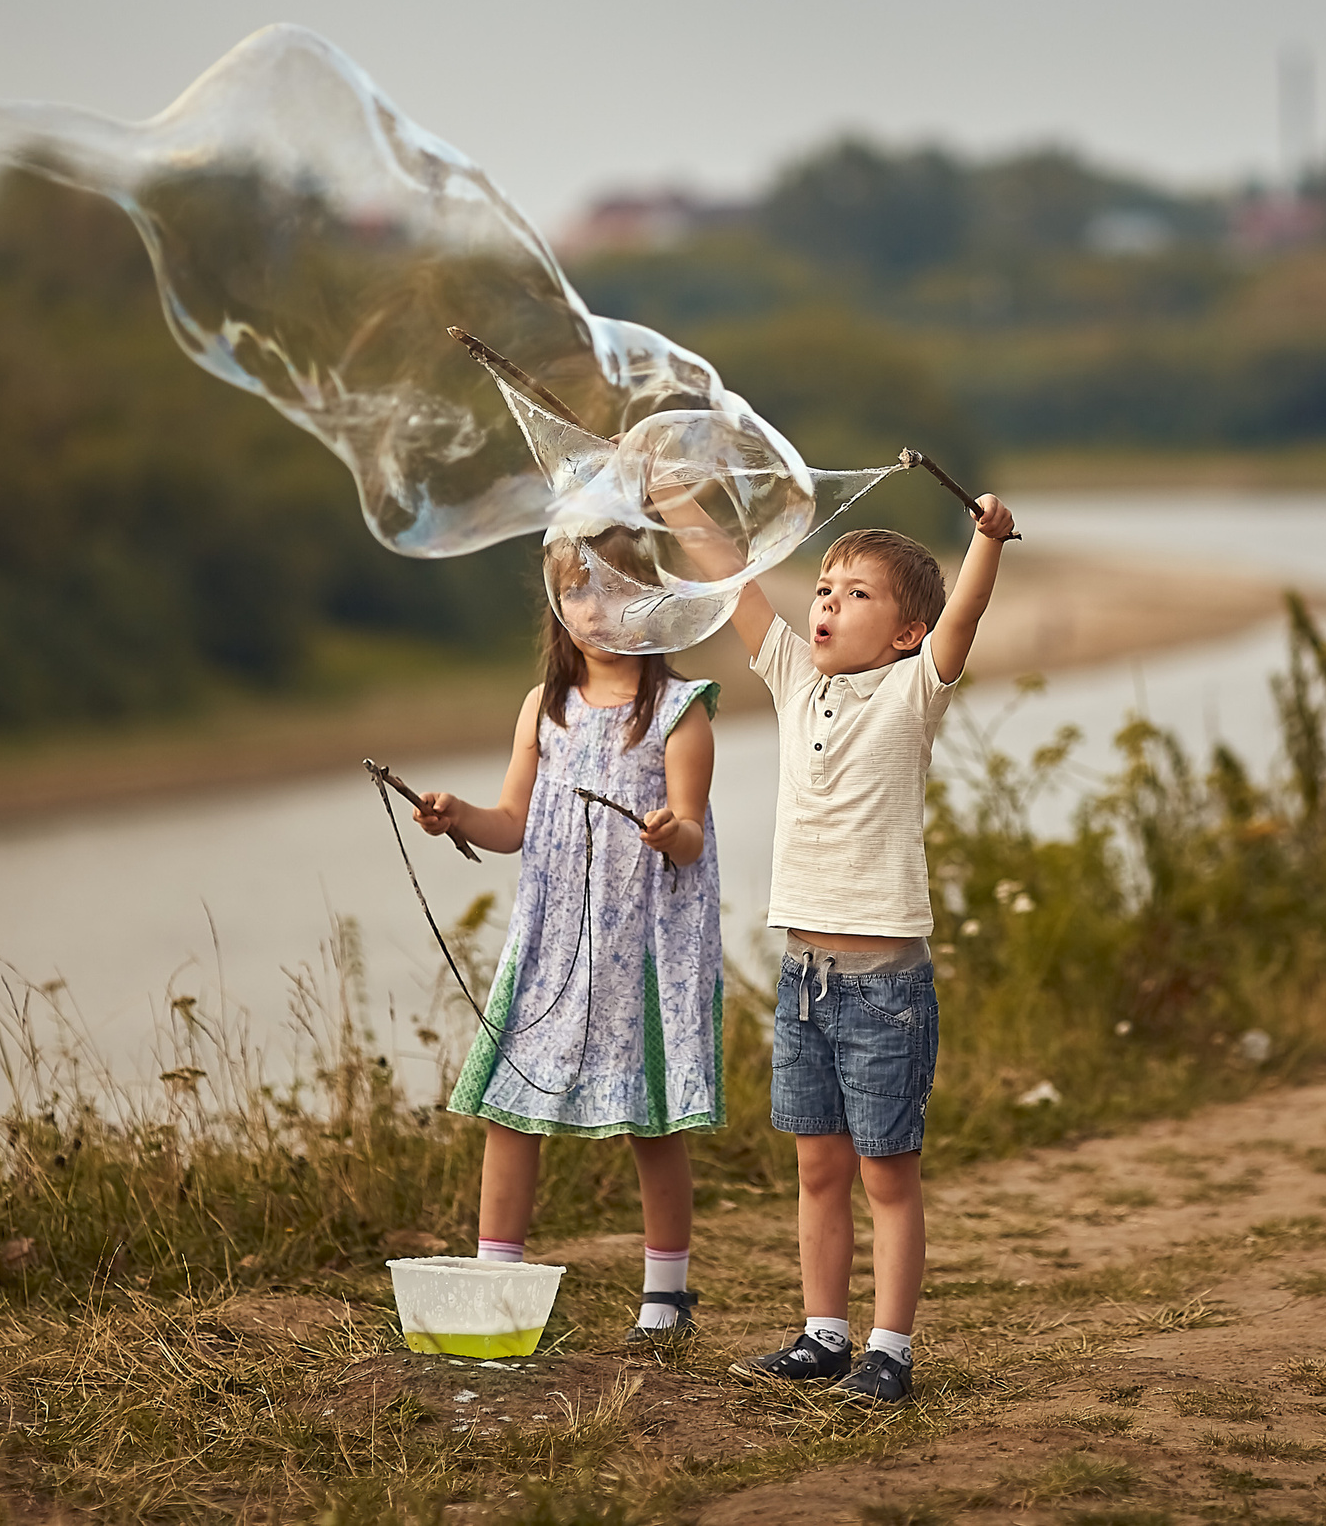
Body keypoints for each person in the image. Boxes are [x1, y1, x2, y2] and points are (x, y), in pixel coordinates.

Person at [721, 498, 1016, 1406]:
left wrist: (986, 541)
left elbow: (963, 619)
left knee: (887, 1172)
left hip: (884, 988)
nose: (826, 604)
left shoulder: (910, 691)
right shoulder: (790, 680)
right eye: (823, 588)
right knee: (817, 1169)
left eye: (855, 594)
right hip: (803, 982)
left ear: (905, 633)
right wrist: (671, 498)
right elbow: (732, 580)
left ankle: (889, 1349)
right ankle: (823, 1334)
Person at [411, 595, 723, 1343]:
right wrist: (458, 816)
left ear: (657, 608)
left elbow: (691, 835)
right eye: (581, 590)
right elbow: (512, 823)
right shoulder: (543, 708)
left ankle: (666, 1296)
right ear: (558, 606)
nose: (600, 608)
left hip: (640, 943)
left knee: (651, 1117)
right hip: (553, 941)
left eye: (621, 590)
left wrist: (669, 831)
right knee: (511, 1106)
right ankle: (497, 1286)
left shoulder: (680, 712)